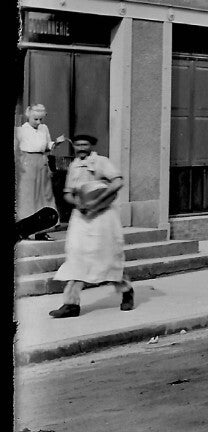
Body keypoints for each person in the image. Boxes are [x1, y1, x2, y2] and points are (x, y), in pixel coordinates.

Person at [49, 133, 133, 318]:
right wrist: (79, 203)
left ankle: (126, 291)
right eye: (78, 145)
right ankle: (71, 304)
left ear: (91, 146)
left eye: (85, 144)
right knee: (76, 256)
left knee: (107, 258)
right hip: (81, 216)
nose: (81, 148)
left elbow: (118, 181)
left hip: (103, 217)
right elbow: (68, 193)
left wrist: (98, 201)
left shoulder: (101, 161)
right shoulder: (74, 165)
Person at [16, 104, 65, 237]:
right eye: (35, 119)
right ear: (29, 116)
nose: (38, 122)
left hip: (42, 163)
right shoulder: (21, 130)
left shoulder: (44, 128)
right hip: (27, 164)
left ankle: (42, 230)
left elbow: (48, 146)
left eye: (40, 119)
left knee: (45, 196)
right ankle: (25, 229)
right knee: (30, 196)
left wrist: (56, 143)